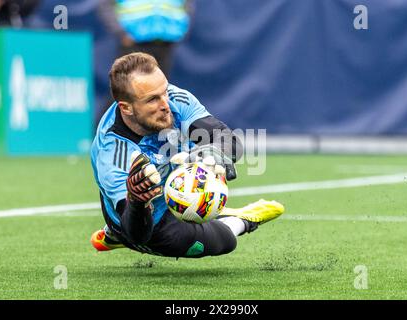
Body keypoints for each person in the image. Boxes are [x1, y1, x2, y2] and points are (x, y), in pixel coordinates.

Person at [90, 52, 284, 258]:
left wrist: (212, 152)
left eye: (164, 91)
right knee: (225, 241)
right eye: (153, 100)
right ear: (126, 108)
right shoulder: (113, 154)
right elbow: (138, 234)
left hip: (175, 184)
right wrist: (137, 202)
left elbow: (230, 142)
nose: (165, 104)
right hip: (145, 221)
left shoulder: (175, 98)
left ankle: (114, 234)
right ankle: (240, 220)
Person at [97, 0, 191, 78]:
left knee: (160, 90)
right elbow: (105, 5)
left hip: (165, 42)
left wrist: (181, 30)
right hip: (133, 43)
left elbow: (187, 5)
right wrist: (121, 33)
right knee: (128, 88)